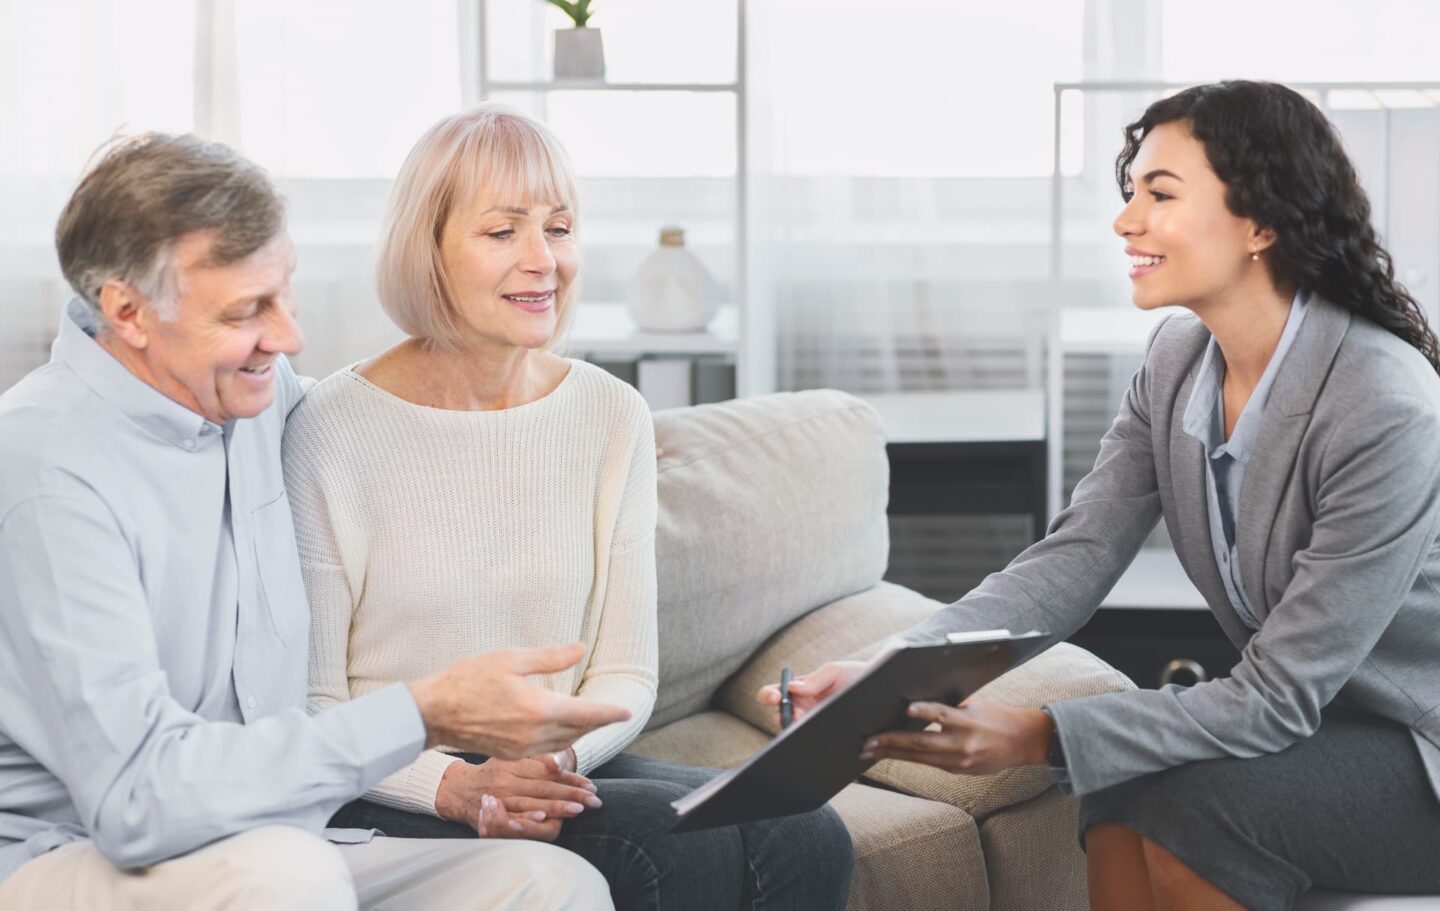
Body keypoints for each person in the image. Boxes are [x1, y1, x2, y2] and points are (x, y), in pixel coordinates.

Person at [762, 81, 1440, 911]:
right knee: (1119, 785)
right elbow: (1075, 556)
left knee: (1195, 806)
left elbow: (1276, 695)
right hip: (1327, 722)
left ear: (1262, 223)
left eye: (1160, 195)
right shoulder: (1178, 359)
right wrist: (896, 669)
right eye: (1130, 195)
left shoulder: (1383, 404)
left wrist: (1038, 734)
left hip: (1420, 744)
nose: (1126, 222)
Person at [0, 132, 629, 910]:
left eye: (286, 293)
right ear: (128, 311)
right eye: (247, 310)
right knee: (282, 875)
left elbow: (391, 473)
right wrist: (425, 713)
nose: (290, 337)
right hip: (81, 853)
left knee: (550, 883)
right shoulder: (46, 468)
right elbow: (139, 802)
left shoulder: (250, 395)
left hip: (279, 837)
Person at [283, 103, 854, 910]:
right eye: (502, 231)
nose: (542, 259)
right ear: (428, 249)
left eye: (558, 228)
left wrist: (554, 767)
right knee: (660, 849)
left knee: (805, 824)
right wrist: (452, 784)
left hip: (562, 763)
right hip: (391, 782)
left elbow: (625, 669)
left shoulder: (609, 414)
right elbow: (309, 701)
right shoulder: (330, 430)